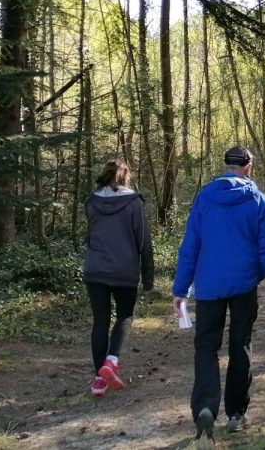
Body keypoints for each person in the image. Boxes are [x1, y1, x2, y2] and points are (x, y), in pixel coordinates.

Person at [173, 145, 265, 448]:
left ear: (225, 166)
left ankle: (205, 408)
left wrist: (181, 289)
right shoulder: (258, 200)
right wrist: (255, 273)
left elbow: (190, 246)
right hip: (244, 284)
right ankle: (235, 414)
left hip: (208, 286)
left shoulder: (205, 199)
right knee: (239, 345)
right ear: (248, 167)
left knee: (206, 348)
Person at [83, 158, 154, 397]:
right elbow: (144, 241)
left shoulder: (91, 202)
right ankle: (111, 362)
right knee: (125, 316)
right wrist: (148, 276)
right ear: (125, 177)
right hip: (124, 271)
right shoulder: (133, 203)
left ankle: (98, 380)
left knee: (100, 322)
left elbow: (90, 236)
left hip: (95, 270)